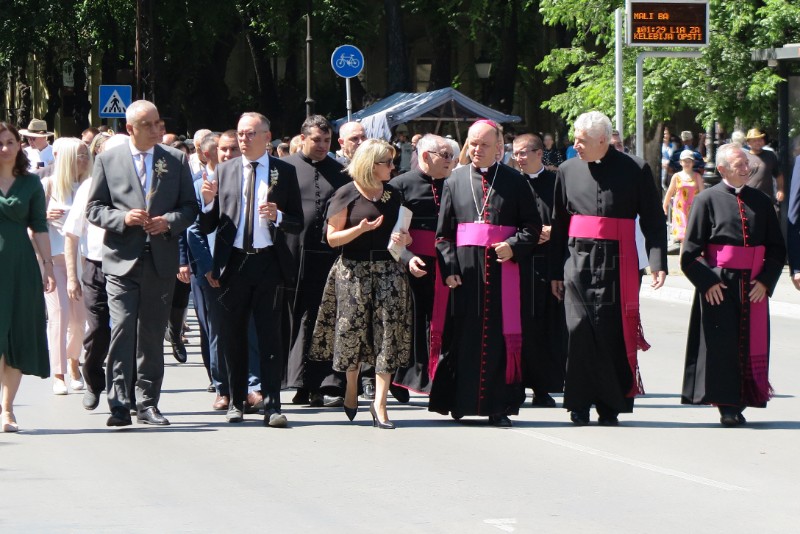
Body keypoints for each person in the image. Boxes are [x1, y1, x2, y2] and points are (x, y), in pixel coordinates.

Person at [550, 111, 667, 426]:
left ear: (603, 140)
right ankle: (578, 402)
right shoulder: (566, 170)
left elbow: (655, 220)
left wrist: (657, 262)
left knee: (613, 331)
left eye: (582, 140)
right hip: (577, 261)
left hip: (619, 261)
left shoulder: (636, 169)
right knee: (578, 332)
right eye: (575, 139)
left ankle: (611, 403)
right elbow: (559, 224)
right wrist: (554, 272)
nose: (576, 145)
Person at [87, 100, 198, 427]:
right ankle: (119, 402)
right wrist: (123, 217)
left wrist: (169, 222)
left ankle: (147, 402)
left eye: (158, 123)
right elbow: (94, 208)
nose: (156, 129)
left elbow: (190, 208)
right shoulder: (108, 160)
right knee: (122, 329)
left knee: (150, 333)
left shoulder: (175, 160)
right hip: (122, 260)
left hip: (160, 260)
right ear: (130, 128)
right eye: (148, 124)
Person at [429, 119, 541, 427]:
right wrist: (449, 268)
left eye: (484, 145)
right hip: (465, 274)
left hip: (503, 273)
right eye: (473, 144)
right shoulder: (454, 180)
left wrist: (514, 245)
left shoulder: (515, 182)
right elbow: (443, 235)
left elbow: (531, 226)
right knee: (463, 339)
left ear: (498, 148)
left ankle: (499, 406)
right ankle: (459, 402)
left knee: (500, 340)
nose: (477, 150)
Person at [199, 112, 302, 427]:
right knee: (233, 335)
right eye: (240, 134)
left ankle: (272, 403)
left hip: (268, 261)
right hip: (234, 263)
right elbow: (208, 223)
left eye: (250, 134)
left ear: (267, 137)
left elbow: (298, 221)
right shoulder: (226, 171)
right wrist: (206, 203)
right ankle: (236, 398)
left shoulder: (283, 172)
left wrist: (279, 216)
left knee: (270, 336)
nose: (243, 140)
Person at [309, 138, 412, 429]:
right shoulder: (346, 194)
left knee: (389, 334)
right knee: (352, 332)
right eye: (388, 162)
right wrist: (359, 229)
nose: (393, 167)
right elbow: (332, 239)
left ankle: (380, 404)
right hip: (353, 271)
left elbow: (404, 235)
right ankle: (351, 385)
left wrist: (405, 240)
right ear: (371, 165)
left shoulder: (393, 194)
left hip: (389, 271)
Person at [681, 144, 785, 426]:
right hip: (720, 285)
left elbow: (777, 249)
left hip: (753, 285)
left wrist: (765, 281)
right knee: (723, 347)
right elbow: (689, 254)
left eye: (748, 164)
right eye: (740, 165)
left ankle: (743, 400)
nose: (746, 169)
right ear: (723, 169)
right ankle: (727, 406)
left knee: (748, 344)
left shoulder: (762, 201)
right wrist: (707, 282)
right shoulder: (706, 200)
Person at [282, 115, 350, 408]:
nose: (322, 146)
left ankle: (327, 382)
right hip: (294, 254)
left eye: (326, 141)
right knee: (299, 319)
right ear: (303, 138)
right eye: (316, 140)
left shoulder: (341, 171)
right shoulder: (285, 169)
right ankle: (299, 382)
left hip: (331, 256)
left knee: (329, 318)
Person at [64, 133, 130, 411]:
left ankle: (126, 393)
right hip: (96, 267)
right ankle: (93, 380)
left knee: (128, 331)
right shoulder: (89, 186)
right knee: (99, 329)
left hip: (128, 264)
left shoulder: (136, 187)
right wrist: (71, 277)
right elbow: (72, 234)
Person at [0, 122, 56, 432]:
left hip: (20, 264)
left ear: (19, 146)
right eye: (0, 143)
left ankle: (7, 409)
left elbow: (39, 226)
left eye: (10, 142)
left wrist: (48, 266)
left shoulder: (31, 183)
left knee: (19, 335)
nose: (5, 148)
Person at [392, 134, 454, 397]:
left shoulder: (454, 184)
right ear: (426, 156)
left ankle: (434, 375)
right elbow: (392, 232)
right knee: (409, 323)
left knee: (439, 322)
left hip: (446, 263)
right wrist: (406, 257)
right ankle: (400, 378)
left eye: (452, 156)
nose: (451, 161)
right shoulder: (400, 185)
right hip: (410, 264)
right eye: (446, 156)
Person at [512, 133, 567, 408]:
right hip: (519, 263)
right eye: (515, 154)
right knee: (520, 327)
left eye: (523, 153)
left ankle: (543, 387)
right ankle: (517, 384)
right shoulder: (510, 183)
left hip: (549, 263)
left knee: (547, 328)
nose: (518, 159)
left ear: (538, 153)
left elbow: (571, 218)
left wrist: (553, 230)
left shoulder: (557, 182)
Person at [41, 138, 91, 395]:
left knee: (80, 320)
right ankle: (58, 373)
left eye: (86, 155)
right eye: (79, 155)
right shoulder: (48, 186)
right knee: (59, 315)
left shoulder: (90, 187)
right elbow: (31, 226)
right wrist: (42, 216)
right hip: (54, 261)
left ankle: (74, 361)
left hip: (83, 261)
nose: (83, 159)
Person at [663, 149, 704, 244]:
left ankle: (687, 257)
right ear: (680, 162)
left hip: (693, 209)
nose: (687, 163)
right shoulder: (676, 176)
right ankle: (683, 257)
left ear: (693, 163)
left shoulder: (697, 176)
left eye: (689, 161)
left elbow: (703, 193)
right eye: (684, 161)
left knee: (691, 236)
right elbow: (669, 192)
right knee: (683, 237)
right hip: (680, 210)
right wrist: (664, 205)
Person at [745, 128, 785, 209]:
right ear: (748, 142)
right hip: (748, 200)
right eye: (754, 140)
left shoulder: (771, 155)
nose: (758, 142)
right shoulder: (744, 157)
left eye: (759, 139)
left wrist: (780, 190)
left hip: (767, 199)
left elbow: (778, 175)